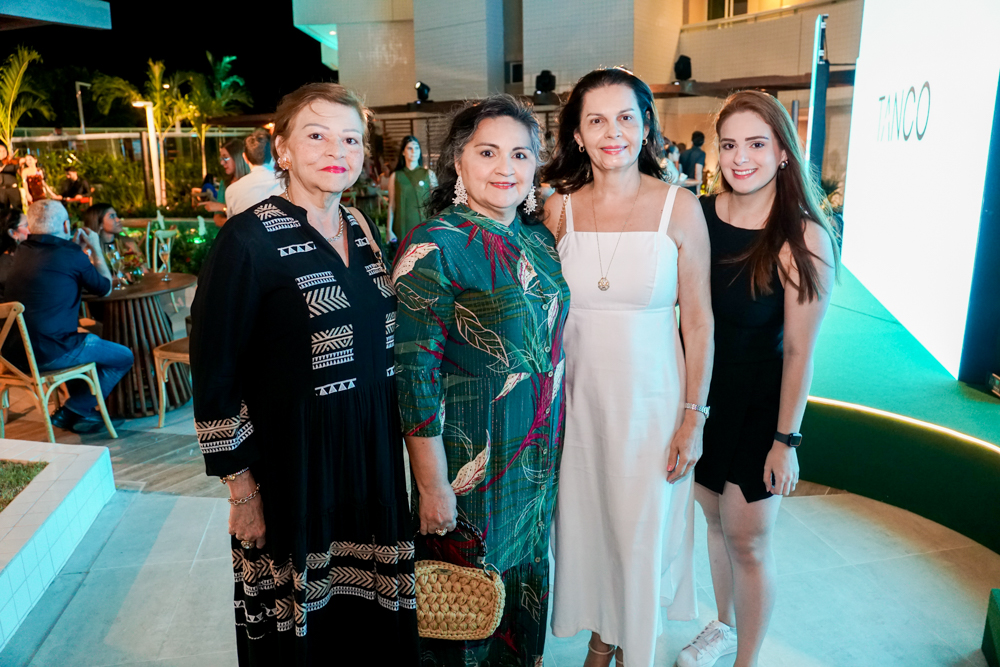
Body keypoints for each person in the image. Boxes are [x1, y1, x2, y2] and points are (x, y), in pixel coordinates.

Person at [190, 82, 418, 666]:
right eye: (315, 136)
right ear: (283, 150)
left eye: (349, 139)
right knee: (303, 641)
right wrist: (242, 491)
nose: (335, 150)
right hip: (294, 469)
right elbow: (216, 372)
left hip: (371, 463)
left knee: (369, 629)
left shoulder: (363, 231)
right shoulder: (246, 240)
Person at [541, 67, 714, 667]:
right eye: (596, 120)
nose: (611, 131)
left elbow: (699, 322)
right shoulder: (556, 212)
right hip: (578, 405)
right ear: (578, 135)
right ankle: (601, 634)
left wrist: (694, 415)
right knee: (588, 528)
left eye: (624, 117)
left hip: (653, 402)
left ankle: (628, 648)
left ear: (645, 128)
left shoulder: (680, 208)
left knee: (641, 531)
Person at [394, 95, 570, 667]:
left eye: (520, 154)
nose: (505, 168)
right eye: (488, 151)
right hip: (470, 465)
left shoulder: (539, 240)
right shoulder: (435, 244)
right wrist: (433, 485)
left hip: (533, 458)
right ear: (458, 161)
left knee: (522, 593)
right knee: (464, 612)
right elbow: (413, 374)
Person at [675, 90, 839, 667]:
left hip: (760, 407)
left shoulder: (804, 238)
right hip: (701, 397)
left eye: (756, 143)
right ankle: (722, 627)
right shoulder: (697, 215)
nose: (740, 157)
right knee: (713, 524)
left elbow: (798, 352)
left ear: (783, 153)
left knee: (747, 539)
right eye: (729, 144)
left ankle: (747, 659)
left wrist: (785, 441)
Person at [3, 200, 132, 434]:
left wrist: (71, 247)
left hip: (13, 355)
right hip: (50, 353)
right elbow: (104, 288)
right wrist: (94, 249)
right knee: (124, 356)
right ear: (65, 224)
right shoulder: (72, 254)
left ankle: (83, 412)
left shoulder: (20, 252)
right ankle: (73, 409)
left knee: (84, 337)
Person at [386, 135, 436, 244]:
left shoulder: (429, 174)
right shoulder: (395, 176)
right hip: (401, 227)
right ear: (403, 152)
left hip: (424, 226)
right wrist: (388, 230)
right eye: (410, 148)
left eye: (417, 148)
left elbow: (436, 203)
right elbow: (392, 205)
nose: (414, 151)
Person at [224, 128, 283, 218]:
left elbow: (232, 226)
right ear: (273, 154)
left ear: (245, 158)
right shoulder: (289, 184)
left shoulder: (232, 191)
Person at [82, 203, 147, 277]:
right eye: (112, 216)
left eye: (116, 215)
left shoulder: (127, 243)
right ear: (100, 224)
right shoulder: (89, 249)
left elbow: (144, 271)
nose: (118, 219)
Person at [200, 137, 250, 227]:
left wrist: (222, 207)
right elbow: (217, 219)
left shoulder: (252, 182)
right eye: (221, 159)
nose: (222, 163)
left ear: (237, 158)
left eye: (225, 158)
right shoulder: (224, 183)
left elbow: (252, 215)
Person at [0, 207, 28, 298]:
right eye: (26, 225)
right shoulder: (8, 267)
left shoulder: (19, 254)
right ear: (13, 233)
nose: (32, 227)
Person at [679, 131, 706, 196]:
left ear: (692, 141)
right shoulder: (701, 154)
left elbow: (680, 171)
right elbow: (698, 173)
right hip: (693, 187)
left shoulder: (683, 153)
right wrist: (698, 191)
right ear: (703, 142)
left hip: (682, 186)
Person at [0, 144, 22, 210]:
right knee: (2, 211)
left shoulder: (12, 161)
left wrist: (3, 169)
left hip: (12, 189)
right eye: (0, 151)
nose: (3, 153)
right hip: (1, 190)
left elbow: (15, 169)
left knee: (17, 209)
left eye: (4, 150)